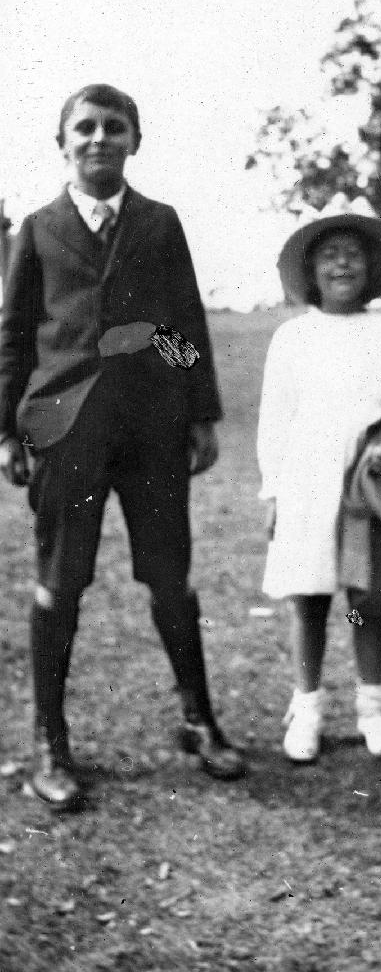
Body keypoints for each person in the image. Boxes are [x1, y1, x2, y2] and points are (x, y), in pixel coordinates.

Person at [0, 83, 245, 810]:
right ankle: (50, 738)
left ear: (135, 140)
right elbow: (14, 335)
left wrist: (197, 412)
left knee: (171, 577)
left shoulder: (159, 224)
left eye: (115, 127)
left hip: (152, 431)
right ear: (62, 143)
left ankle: (198, 718)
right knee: (61, 580)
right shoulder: (37, 229)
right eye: (85, 127)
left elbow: (183, 324)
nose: (100, 138)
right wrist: (8, 429)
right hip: (65, 431)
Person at [257, 213, 381, 763]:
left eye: (353, 253)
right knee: (308, 599)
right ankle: (306, 705)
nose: (342, 264)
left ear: (373, 267)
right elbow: (275, 420)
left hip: (368, 488)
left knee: (363, 600)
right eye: (329, 255)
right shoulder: (293, 336)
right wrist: (274, 492)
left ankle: (372, 706)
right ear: (311, 269)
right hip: (307, 486)